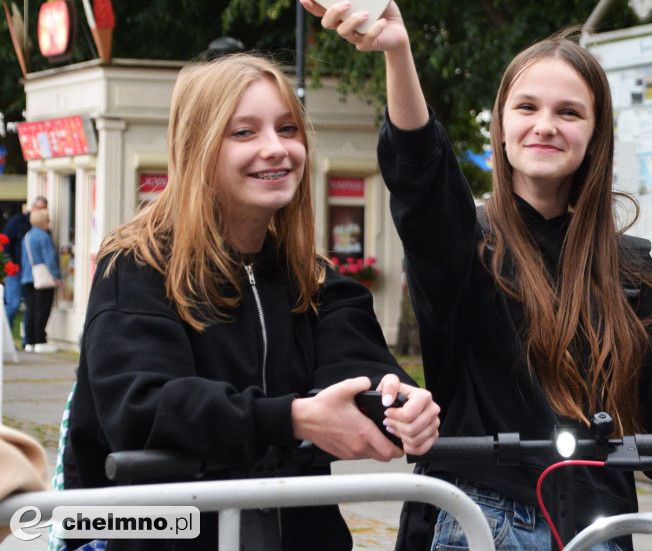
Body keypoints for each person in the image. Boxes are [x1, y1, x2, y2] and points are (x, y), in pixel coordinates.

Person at [301, 0, 652, 551]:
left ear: (595, 135)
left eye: (569, 112)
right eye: (526, 107)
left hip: (595, 526)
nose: (545, 126)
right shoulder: (466, 243)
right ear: (501, 129)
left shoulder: (630, 270)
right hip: (476, 519)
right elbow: (421, 179)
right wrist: (397, 53)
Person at [63, 53, 441, 551]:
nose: (276, 149)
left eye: (288, 129)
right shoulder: (138, 265)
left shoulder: (314, 276)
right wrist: (291, 418)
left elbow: (358, 370)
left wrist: (398, 405)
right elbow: (144, 408)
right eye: (244, 133)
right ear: (198, 147)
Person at [3, 196, 47, 329]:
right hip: (16, 269)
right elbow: (6, 242)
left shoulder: (42, 228)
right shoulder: (18, 221)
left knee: (31, 306)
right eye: (39, 209)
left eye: (43, 210)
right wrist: (9, 264)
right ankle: (5, 338)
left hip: (31, 271)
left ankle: (27, 339)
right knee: (13, 305)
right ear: (32, 207)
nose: (41, 213)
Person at [20, 207, 60, 353]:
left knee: (31, 310)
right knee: (42, 309)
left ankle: (29, 341)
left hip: (27, 277)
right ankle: (40, 341)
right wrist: (56, 276)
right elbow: (48, 259)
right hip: (42, 278)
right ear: (43, 222)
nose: (49, 223)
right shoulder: (43, 236)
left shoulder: (27, 236)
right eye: (47, 220)